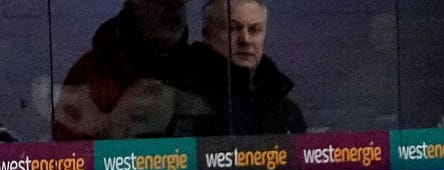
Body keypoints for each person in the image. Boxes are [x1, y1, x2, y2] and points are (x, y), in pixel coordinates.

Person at [52, 0, 192, 141]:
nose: (175, 8)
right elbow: (72, 157)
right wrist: (113, 127)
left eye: (181, 1)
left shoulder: (199, 72)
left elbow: (210, 150)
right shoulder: (92, 73)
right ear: (135, 3)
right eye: (164, 2)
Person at [172, 0, 306, 136]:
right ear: (207, 34)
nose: (245, 39)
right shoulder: (181, 98)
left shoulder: (285, 111)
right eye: (233, 28)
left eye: (255, 30)